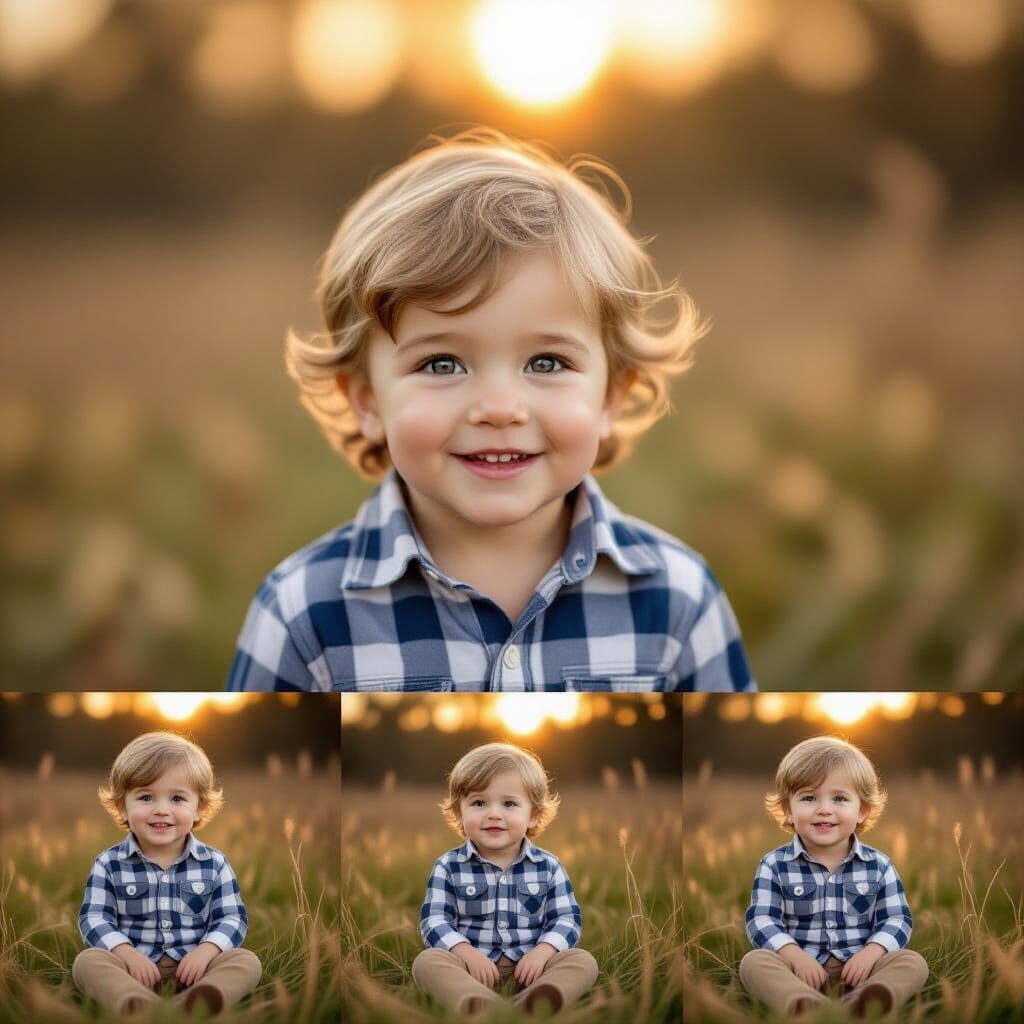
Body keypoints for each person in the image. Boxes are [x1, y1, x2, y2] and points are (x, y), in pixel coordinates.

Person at [227, 127, 753, 692]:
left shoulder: (678, 601)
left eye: (546, 363)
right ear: (367, 400)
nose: (499, 409)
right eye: (442, 364)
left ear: (610, 396)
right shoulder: (304, 614)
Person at [73, 732, 261, 1016]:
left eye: (177, 798)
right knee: (87, 962)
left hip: (195, 971)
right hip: (132, 969)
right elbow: (94, 918)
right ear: (123, 807)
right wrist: (129, 956)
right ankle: (134, 1002)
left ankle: (198, 1001)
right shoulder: (109, 863)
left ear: (199, 808)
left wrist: (205, 952)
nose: (161, 810)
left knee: (246, 961)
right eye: (146, 797)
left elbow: (231, 918)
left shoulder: (214, 863)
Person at [741, 736, 928, 1017]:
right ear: (788, 810)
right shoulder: (774, 864)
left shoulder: (879, 865)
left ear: (862, 810)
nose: (824, 809)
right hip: (799, 969)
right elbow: (761, 920)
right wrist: (796, 958)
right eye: (809, 798)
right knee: (753, 962)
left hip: (861, 971)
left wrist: (871, 954)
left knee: (913, 962)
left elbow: (897, 919)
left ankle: (867, 1001)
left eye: (839, 798)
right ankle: (801, 1002)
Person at [412, 742, 597, 1015]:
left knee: (583, 961)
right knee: (426, 962)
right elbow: (435, 920)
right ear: (459, 814)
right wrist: (467, 954)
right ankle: (475, 1001)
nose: (494, 813)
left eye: (509, 803)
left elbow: (566, 919)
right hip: (471, 968)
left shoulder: (548, 866)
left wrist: (542, 953)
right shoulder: (448, 866)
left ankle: (535, 1002)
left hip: (532, 969)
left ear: (533, 815)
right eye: (478, 803)